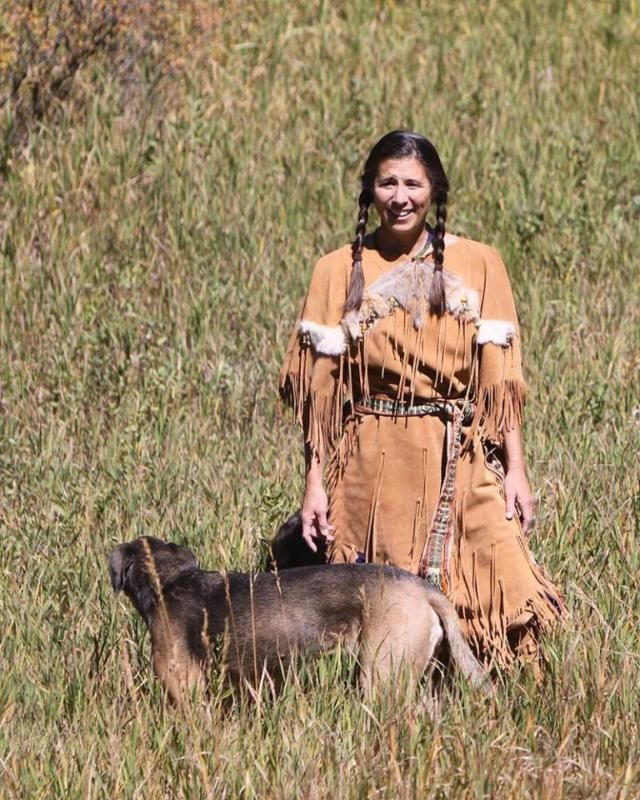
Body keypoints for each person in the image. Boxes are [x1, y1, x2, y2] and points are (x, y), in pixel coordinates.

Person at [279, 130, 563, 670]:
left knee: (494, 572)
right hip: (370, 462)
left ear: (434, 190)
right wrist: (314, 485)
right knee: (381, 597)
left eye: (414, 183)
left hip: (459, 453)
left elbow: (500, 383)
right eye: (388, 182)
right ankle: (401, 705)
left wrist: (517, 471)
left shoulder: (480, 263)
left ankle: (496, 707)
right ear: (370, 191)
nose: (401, 196)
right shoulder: (335, 270)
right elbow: (319, 399)